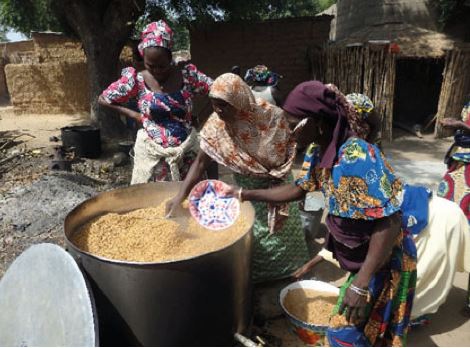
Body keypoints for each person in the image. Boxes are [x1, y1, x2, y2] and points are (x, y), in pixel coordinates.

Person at [231, 81, 417, 346]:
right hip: (363, 261)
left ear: (318, 122)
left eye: (294, 123)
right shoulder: (318, 151)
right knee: (364, 332)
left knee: (344, 335)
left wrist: (360, 283)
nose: (288, 131)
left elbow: (390, 219)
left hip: (382, 261)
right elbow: (299, 189)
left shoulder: (357, 156)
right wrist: (243, 194)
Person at [166, 73, 309, 283]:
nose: (218, 111)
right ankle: (258, 280)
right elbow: (200, 163)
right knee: (254, 238)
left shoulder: (271, 118)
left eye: (225, 105)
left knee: (284, 236)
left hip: (277, 188)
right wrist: (181, 196)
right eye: (215, 105)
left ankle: (290, 274)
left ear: (240, 99)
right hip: (245, 191)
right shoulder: (217, 125)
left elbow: (292, 146)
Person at [98, 20, 213, 183]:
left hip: (186, 156)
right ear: (143, 58)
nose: (157, 71)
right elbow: (103, 99)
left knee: (190, 201)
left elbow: (219, 92)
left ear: (170, 57)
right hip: (153, 159)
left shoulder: (187, 76)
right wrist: (134, 115)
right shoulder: (137, 81)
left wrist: (201, 118)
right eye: (151, 66)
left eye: (162, 66)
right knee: (154, 203)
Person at [437, 101, 470, 221]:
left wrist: (460, 125)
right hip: (461, 157)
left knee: (463, 203)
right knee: (449, 198)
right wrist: (458, 124)